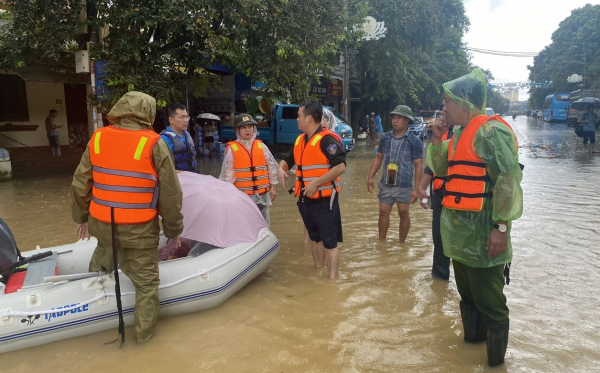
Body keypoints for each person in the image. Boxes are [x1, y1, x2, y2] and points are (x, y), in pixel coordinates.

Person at [70, 91, 184, 344]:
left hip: (102, 225)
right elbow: (171, 195)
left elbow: (80, 182)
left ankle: (87, 323)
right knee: (146, 286)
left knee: (100, 268)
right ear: (149, 114)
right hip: (138, 230)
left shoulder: (98, 138)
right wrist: (174, 230)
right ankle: (143, 344)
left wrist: (80, 217)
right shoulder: (155, 144)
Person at [427, 69, 523, 366]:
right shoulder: (456, 135)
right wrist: (437, 137)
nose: (443, 107)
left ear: (464, 101)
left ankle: (495, 365)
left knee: (491, 302)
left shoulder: (491, 131)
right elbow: (442, 169)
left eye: (447, 101)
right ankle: (471, 351)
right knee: (468, 296)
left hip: (484, 232)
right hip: (459, 236)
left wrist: (501, 227)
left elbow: (508, 179)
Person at [277, 101, 346, 279]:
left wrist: (316, 182)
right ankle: (318, 274)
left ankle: (332, 281)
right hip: (306, 200)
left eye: (299, 115)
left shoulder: (326, 140)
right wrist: (280, 169)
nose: (297, 119)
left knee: (330, 242)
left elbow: (340, 167)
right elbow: (288, 158)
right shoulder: (301, 140)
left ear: (309, 118)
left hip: (325, 200)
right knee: (315, 239)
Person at [367, 105, 423, 243]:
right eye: (393, 118)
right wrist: (370, 177)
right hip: (387, 182)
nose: (395, 121)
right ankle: (381, 242)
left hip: (404, 184)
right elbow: (379, 157)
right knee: (383, 212)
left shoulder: (414, 141)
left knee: (403, 213)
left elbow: (419, 165)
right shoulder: (385, 137)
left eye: (399, 118)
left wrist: (416, 189)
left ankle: (402, 243)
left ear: (407, 121)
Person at [220, 113, 278, 224]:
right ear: (238, 130)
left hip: (262, 194)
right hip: (242, 195)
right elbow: (227, 174)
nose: (247, 130)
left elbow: (271, 167)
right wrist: (228, 193)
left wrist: (273, 186)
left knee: (263, 224)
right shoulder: (232, 148)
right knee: (245, 224)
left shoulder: (261, 146)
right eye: (244, 127)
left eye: (250, 127)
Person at [417, 126, 454, 280]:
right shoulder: (440, 133)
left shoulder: (469, 133)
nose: (444, 111)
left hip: (462, 197)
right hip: (440, 195)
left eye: (447, 105)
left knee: (458, 241)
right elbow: (431, 167)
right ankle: (439, 281)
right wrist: (421, 188)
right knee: (439, 239)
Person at [160, 103, 198, 172]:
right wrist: (185, 174)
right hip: (176, 181)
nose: (186, 120)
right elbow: (161, 168)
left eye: (187, 117)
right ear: (171, 120)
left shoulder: (187, 135)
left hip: (192, 179)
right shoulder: (164, 139)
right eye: (182, 117)